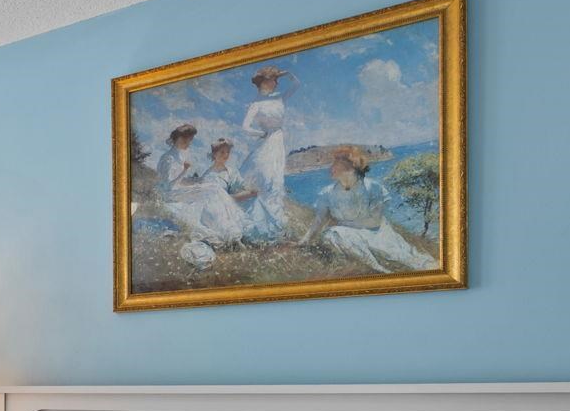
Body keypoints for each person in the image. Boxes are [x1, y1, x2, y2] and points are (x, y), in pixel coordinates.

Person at [302, 149, 437, 272]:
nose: (331, 168)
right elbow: (318, 220)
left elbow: (375, 221)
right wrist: (304, 240)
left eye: (336, 164)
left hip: (377, 234)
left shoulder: (373, 187)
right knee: (332, 234)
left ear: (350, 167)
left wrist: (344, 226)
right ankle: (378, 269)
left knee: (408, 260)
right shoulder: (327, 193)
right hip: (347, 235)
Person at [159, 125, 247, 245]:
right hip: (171, 193)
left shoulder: (179, 155)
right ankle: (227, 232)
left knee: (213, 189)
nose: (187, 143)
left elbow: (180, 180)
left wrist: (193, 181)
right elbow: (169, 183)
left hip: (178, 189)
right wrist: (184, 170)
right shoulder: (168, 158)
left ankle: (229, 229)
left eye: (189, 140)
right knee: (212, 189)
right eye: (185, 140)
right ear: (176, 139)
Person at [239, 65, 295, 240]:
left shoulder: (279, 97)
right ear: (264, 81)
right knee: (266, 181)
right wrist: (261, 133)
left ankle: (274, 228)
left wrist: (287, 74)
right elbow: (245, 127)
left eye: (278, 80)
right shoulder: (256, 104)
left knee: (275, 182)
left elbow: (297, 85)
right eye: (274, 79)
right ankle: (262, 229)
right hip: (266, 142)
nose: (277, 83)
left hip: (278, 142)